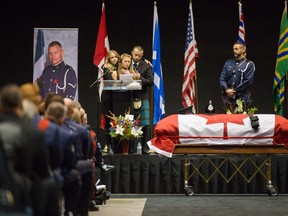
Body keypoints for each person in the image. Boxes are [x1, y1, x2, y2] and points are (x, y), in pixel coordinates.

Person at [219, 41, 255, 113]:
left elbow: (248, 81)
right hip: (228, 98)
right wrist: (226, 90)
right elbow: (222, 78)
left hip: (241, 97)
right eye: (233, 49)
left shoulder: (249, 64)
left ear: (243, 50)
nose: (234, 51)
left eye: (236, 49)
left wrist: (235, 91)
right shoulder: (228, 63)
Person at [130, 46, 153, 153]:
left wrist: (139, 77)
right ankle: (130, 149)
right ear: (132, 53)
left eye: (139, 56)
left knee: (144, 125)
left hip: (142, 97)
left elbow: (150, 82)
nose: (137, 57)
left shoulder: (146, 66)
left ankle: (145, 148)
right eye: (135, 55)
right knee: (128, 124)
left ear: (142, 56)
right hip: (127, 98)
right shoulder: (125, 62)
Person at [100, 50, 120, 152]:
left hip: (118, 99)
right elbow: (110, 82)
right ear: (109, 59)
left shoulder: (121, 67)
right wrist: (115, 76)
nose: (114, 59)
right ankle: (107, 145)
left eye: (116, 57)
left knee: (118, 122)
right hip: (108, 99)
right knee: (108, 123)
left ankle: (118, 146)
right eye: (112, 57)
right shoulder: (106, 67)